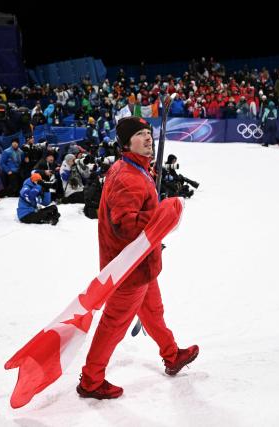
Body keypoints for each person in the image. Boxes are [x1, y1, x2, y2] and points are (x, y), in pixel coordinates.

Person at [77, 116, 199, 400]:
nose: (148, 138)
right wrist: (163, 215)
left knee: (154, 313)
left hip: (143, 264)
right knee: (114, 324)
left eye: (149, 133)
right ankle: (91, 380)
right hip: (128, 268)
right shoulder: (127, 176)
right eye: (140, 134)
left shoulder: (136, 169)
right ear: (125, 143)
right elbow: (125, 224)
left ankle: (172, 355)